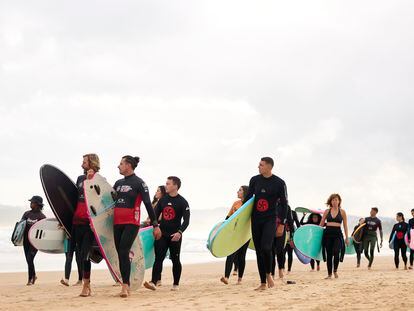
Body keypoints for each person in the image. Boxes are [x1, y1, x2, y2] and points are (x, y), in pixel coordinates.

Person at [113, 155, 161, 297]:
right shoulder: (117, 183)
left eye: (121, 163)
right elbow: (108, 204)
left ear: (128, 165)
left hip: (131, 223)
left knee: (123, 251)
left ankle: (125, 286)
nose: (118, 166)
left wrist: (155, 225)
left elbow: (147, 204)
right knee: (120, 254)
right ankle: (125, 283)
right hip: (117, 223)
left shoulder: (140, 183)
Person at [244, 157, 288, 290]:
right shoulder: (255, 180)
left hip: (270, 219)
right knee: (259, 251)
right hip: (256, 219)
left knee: (266, 247)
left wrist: (282, 224)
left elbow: (285, 204)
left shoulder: (279, 183)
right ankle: (263, 283)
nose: (259, 167)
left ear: (269, 167)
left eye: (261, 165)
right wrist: (238, 219)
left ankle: (269, 274)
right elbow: (248, 199)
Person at [144, 176, 190, 291]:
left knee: (175, 260)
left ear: (175, 186)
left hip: (175, 235)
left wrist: (179, 232)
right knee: (158, 258)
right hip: (162, 234)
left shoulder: (183, 202)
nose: (166, 186)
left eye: (168, 184)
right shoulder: (163, 200)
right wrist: (155, 227)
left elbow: (186, 221)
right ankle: (154, 282)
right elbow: (154, 215)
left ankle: (176, 284)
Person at [73, 154, 100, 297]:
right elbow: (74, 198)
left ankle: (86, 285)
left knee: (85, 254)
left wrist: (96, 223)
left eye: (84, 162)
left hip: (90, 224)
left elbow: (101, 201)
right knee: (79, 254)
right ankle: (86, 284)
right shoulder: (79, 179)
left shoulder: (100, 180)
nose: (81, 164)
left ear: (92, 163)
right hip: (77, 221)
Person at [220, 185, 249, 285]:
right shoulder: (236, 203)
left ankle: (239, 279)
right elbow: (228, 217)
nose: (238, 192)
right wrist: (223, 229)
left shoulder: (249, 204)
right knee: (230, 253)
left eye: (240, 190)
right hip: (234, 233)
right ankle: (226, 277)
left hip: (245, 234)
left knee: (241, 256)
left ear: (245, 192)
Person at [319, 193, 349, 279]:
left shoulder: (342, 212)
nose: (334, 201)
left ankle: (335, 270)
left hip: (337, 234)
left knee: (336, 252)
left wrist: (347, 238)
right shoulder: (327, 211)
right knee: (329, 254)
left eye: (336, 200)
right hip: (328, 234)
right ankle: (329, 274)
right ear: (330, 201)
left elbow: (345, 226)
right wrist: (316, 235)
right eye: (333, 200)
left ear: (339, 201)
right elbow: (321, 223)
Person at [21, 196, 46, 285]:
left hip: (35, 242)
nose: (31, 203)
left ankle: (30, 279)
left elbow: (43, 232)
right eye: (31, 202)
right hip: (26, 240)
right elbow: (21, 226)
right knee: (28, 260)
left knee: (29, 258)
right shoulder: (26, 214)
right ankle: (34, 275)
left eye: (32, 202)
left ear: (38, 204)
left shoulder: (42, 217)